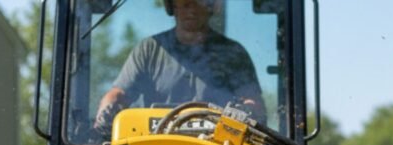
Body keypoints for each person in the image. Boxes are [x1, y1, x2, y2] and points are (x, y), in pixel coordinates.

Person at [93, 0, 266, 133]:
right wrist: (107, 112)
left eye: (198, 1)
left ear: (211, 6)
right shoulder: (150, 50)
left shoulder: (232, 54)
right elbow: (119, 93)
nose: (191, 9)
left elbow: (252, 101)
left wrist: (249, 110)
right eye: (184, 2)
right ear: (171, 6)